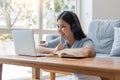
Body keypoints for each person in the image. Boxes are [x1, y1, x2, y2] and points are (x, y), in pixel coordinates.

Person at [36, 11, 97, 80]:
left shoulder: (85, 41)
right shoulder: (62, 40)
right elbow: (38, 48)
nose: (58, 30)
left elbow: (89, 51)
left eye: (63, 27)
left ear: (73, 27)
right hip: (75, 77)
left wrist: (64, 51)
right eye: (58, 26)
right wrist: (54, 50)